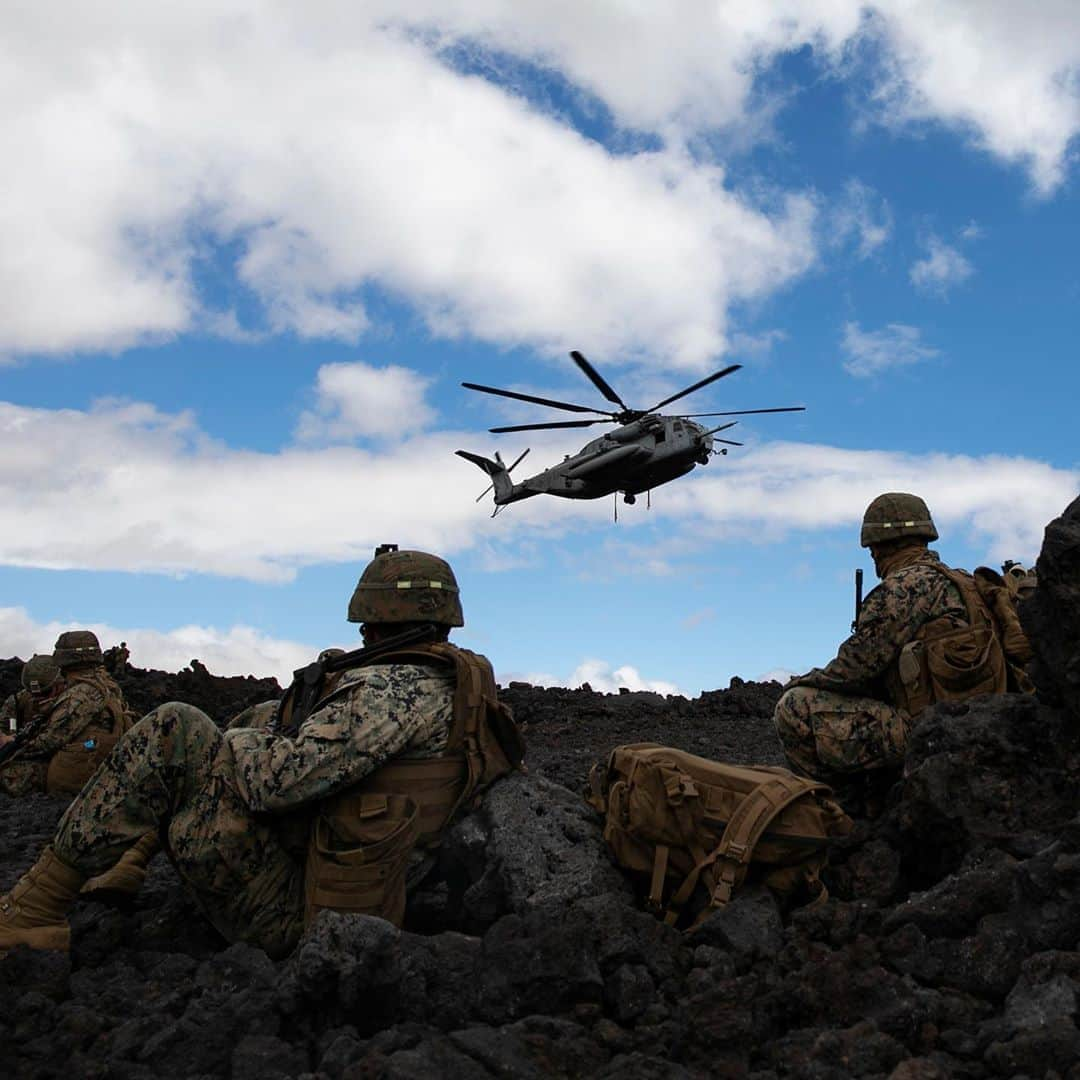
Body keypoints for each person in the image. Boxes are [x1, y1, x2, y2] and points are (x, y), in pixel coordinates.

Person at [0, 548, 519, 959]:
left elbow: (275, 782)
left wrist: (242, 741)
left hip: (310, 920)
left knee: (174, 729)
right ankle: (129, 861)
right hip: (368, 890)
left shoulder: (389, 692)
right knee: (259, 715)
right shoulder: (456, 682)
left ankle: (33, 913)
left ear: (372, 615)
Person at [774, 492, 1013, 788]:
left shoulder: (902, 588)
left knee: (794, 707)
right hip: (985, 723)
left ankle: (839, 811)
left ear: (879, 546)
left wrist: (801, 681)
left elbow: (855, 667)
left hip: (933, 731)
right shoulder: (964, 582)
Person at [0, 631, 130, 798]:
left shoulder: (79, 695)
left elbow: (49, 740)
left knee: (10, 775)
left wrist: (14, 745)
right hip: (99, 757)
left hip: (83, 766)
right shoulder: (104, 683)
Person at [0, 654, 62, 737]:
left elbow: (86, 743)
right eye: (33, 694)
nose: (37, 698)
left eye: (45, 693)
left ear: (58, 685)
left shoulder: (74, 699)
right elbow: (5, 728)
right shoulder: (17, 701)